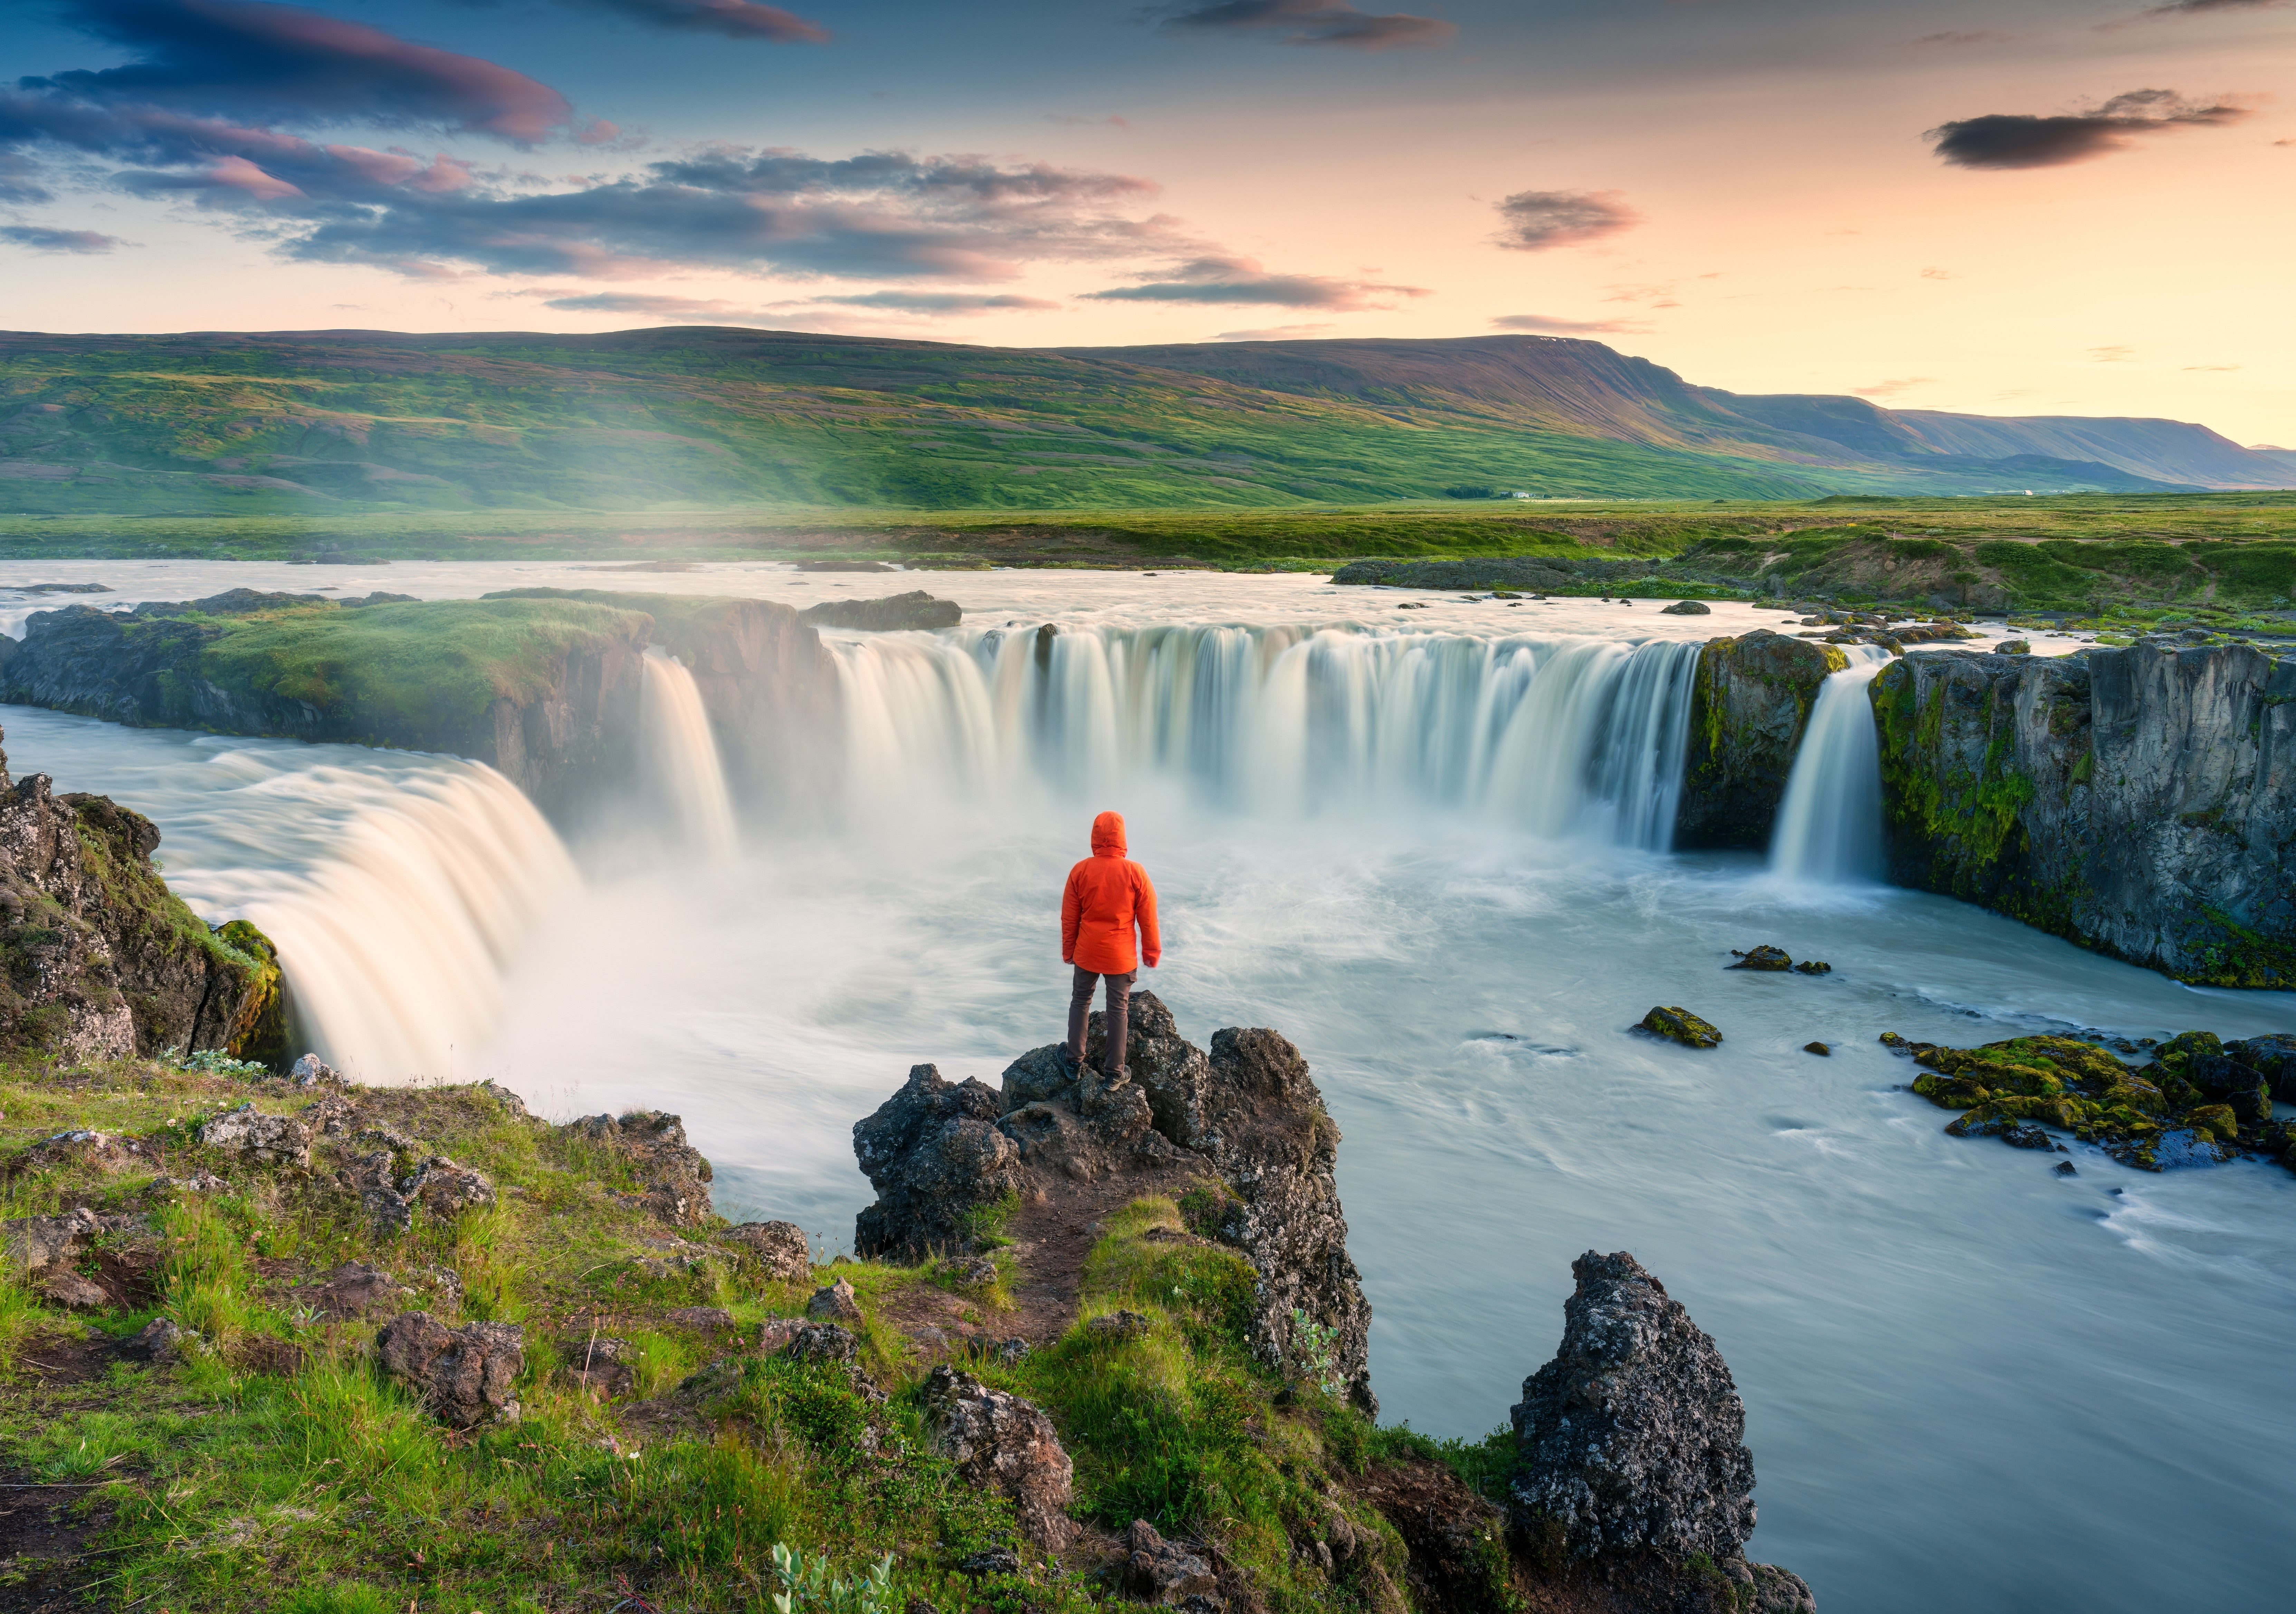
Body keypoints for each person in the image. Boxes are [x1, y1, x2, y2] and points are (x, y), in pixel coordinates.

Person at [1060, 810, 1160, 1079]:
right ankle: (1115, 1073)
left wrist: (1069, 951)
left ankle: (1073, 1062)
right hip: (1121, 955)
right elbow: (1147, 918)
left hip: (1087, 951)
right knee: (1119, 1010)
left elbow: (1070, 918)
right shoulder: (1135, 872)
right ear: (1122, 838)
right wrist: (1151, 952)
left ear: (1095, 837)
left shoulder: (1080, 870)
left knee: (1081, 1002)